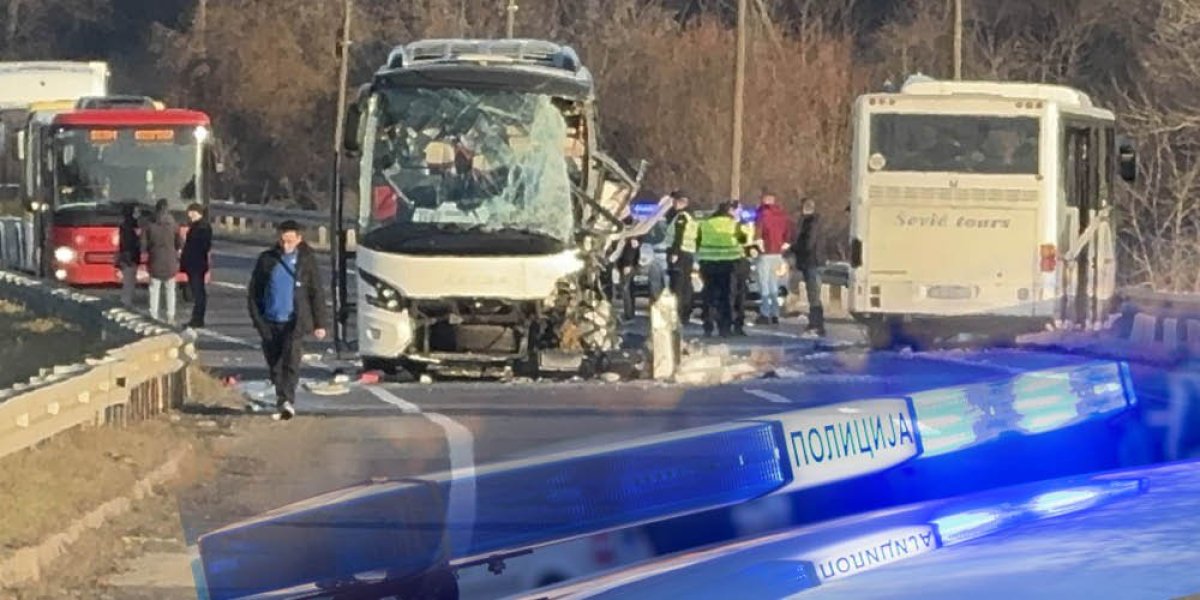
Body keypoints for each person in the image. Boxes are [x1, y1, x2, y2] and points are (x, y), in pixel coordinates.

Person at [247, 220, 328, 421]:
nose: (285, 245)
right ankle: (280, 394)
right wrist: (258, 320)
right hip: (270, 320)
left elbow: (316, 291)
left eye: (290, 241)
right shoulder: (267, 260)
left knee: (291, 360)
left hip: (295, 320)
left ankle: (286, 400)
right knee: (275, 363)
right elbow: (254, 293)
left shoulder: (306, 260)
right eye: (282, 241)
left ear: (299, 239)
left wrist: (320, 323)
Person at [695, 201, 743, 338]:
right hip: (728, 264)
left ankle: (708, 325)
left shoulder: (705, 224)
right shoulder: (734, 224)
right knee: (726, 296)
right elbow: (743, 240)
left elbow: (697, 242)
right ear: (729, 212)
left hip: (708, 263)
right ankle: (724, 327)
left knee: (709, 294)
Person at [754, 190, 795, 325]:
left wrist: (760, 248)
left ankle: (765, 313)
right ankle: (775, 313)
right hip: (778, 254)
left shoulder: (762, 214)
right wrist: (782, 248)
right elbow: (788, 235)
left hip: (765, 254)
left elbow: (758, 234)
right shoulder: (783, 215)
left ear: (765, 200)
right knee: (774, 284)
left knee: (763, 284)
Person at [142, 198, 181, 323]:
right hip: (170, 261)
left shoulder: (149, 225)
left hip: (155, 260)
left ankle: (153, 314)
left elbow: (143, 244)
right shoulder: (173, 225)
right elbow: (179, 243)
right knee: (170, 290)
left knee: (154, 289)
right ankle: (170, 316)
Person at [663, 191, 698, 324]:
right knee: (686, 285)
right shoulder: (691, 216)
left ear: (681, 202)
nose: (673, 204)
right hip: (688, 253)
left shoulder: (681, 216)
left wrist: (675, 253)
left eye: (675, 201)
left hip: (680, 254)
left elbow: (679, 235)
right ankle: (685, 313)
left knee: (677, 285)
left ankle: (678, 313)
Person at [793, 198, 826, 337]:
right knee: (813, 294)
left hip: (812, 261)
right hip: (814, 261)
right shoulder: (816, 222)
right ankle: (816, 324)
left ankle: (816, 325)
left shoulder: (811, 223)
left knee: (814, 295)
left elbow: (808, 243)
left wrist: (794, 248)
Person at [181, 202, 212, 328]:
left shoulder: (202, 227)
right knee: (196, 292)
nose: (189, 215)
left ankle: (198, 319)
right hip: (195, 263)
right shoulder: (197, 226)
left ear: (196, 212)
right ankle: (196, 318)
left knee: (198, 293)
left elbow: (203, 246)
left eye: (191, 212)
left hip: (196, 264)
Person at [731, 201, 756, 336]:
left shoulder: (745, 225)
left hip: (740, 261)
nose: (738, 212)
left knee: (739, 294)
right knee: (732, 294)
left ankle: (738, 323)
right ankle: (732, 322)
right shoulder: (728, 224)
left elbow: (748, 242)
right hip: (732, 261)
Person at [115, 203, 141, 307]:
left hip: (127, 257)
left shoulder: (125, 225)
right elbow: (129, 243)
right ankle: (126, 302)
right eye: (136, 211)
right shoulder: (131, 226)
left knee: (129, 281)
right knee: (129, 281)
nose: (139, 214)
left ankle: (126, 301)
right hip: (130, 257)